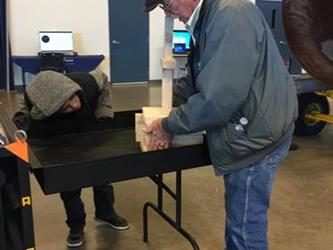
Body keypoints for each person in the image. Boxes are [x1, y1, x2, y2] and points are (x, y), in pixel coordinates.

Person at [144, 0, 298, 249]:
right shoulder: (210, 17)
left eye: (167, 3)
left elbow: (217, 99)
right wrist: (171, 108)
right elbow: (202, 73)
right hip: (254, 125)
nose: (169, 12)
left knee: (244, 231)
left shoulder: (230, 16)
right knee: (240, 222)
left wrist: (169, 125)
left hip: (254, 137)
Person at [13, 69, 129, 248]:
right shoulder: (35, 100)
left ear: (72, 89)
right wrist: (22, 120)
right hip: (60, 134)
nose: (73, 106)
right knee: (69, 183)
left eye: (71, 100)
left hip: (88, 126)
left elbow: (104, 80)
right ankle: (76, 227)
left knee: (102, 172)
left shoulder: (88, 81)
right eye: (64, 107)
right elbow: (25, 105)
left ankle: (106, 213)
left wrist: (103, 108)